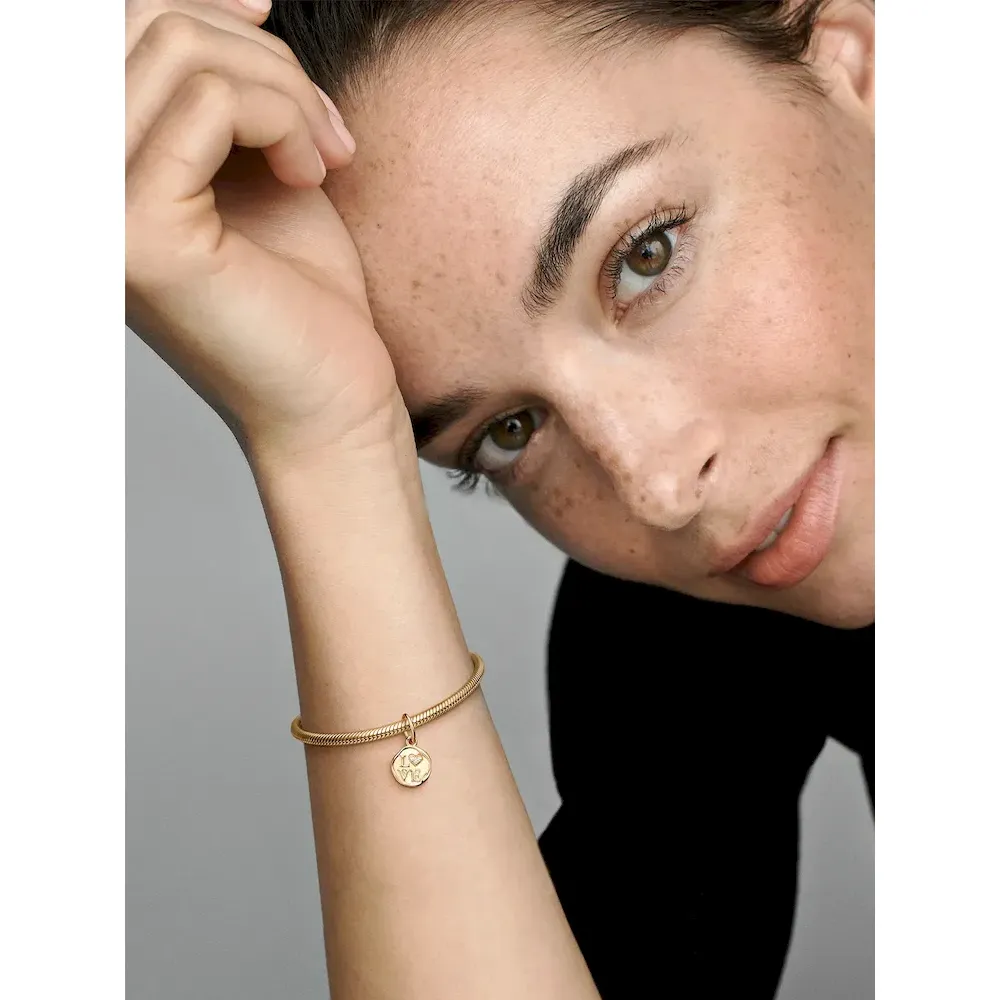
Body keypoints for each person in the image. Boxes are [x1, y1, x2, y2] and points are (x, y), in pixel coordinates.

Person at [125, 0, 874, 996]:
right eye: (509, 432)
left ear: (856, 58)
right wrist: (326, 447)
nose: (654, 487)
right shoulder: (690, 617)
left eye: (646, 256)